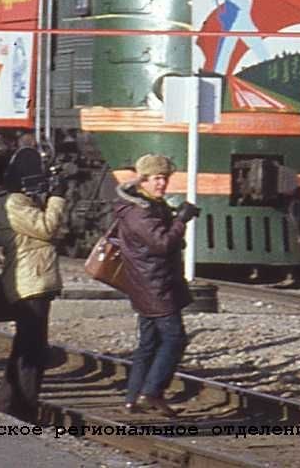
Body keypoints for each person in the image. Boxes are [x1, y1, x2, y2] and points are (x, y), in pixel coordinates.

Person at [113, 153, 199, 416]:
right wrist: (181, 221)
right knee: (175, 338)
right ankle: (152, 392)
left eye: (165, 178)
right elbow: (162, 244)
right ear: (144, 180)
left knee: (149, 344)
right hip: (155, 285)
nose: (162, 184)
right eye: (157, 179)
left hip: (147, 283)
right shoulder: (140, 212)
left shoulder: (148, 205)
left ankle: (132, 397)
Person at [0, 147, 66, 420]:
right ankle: (25, 409)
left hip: (30, 278)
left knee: (25, 346)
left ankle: (7, 404)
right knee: (33, 349)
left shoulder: (8, 200)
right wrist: (57, 199)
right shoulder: (14, 202)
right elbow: (46, 228)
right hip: (30, 280)